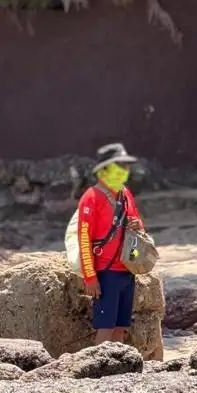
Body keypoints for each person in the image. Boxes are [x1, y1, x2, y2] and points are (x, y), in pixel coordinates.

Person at [76, 143, 145, 344]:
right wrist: (90, 277)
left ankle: (119, 367)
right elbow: (84, 239)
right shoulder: (91, 198)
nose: (125, 171)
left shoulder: (125, 194)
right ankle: (100, 368)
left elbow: (139, 226)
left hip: (127, 268)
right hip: (106, 273)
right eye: (120, 166)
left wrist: (137, 224)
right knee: (105, 328)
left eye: (126, 166)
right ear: (105, 170)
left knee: (121, 326)